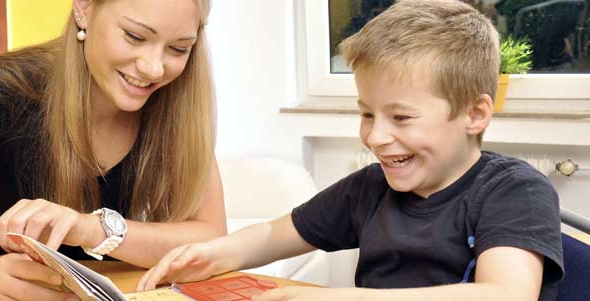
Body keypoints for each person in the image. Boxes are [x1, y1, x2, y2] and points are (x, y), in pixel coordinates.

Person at [137, 1, 564, 300]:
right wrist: (210, 255)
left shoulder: (517, 191)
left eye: (400, 117)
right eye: (366, 114)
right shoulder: (369, 189)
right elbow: (273, 234)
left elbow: (504, 294)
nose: (376, 137)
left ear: (475, 114)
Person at [0, 0, 226, 300]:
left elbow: (211, 241)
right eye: (135, 36)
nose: (154, 67)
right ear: (84, 8)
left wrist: (96, 230)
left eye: (179, 49)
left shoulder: (177, 104)